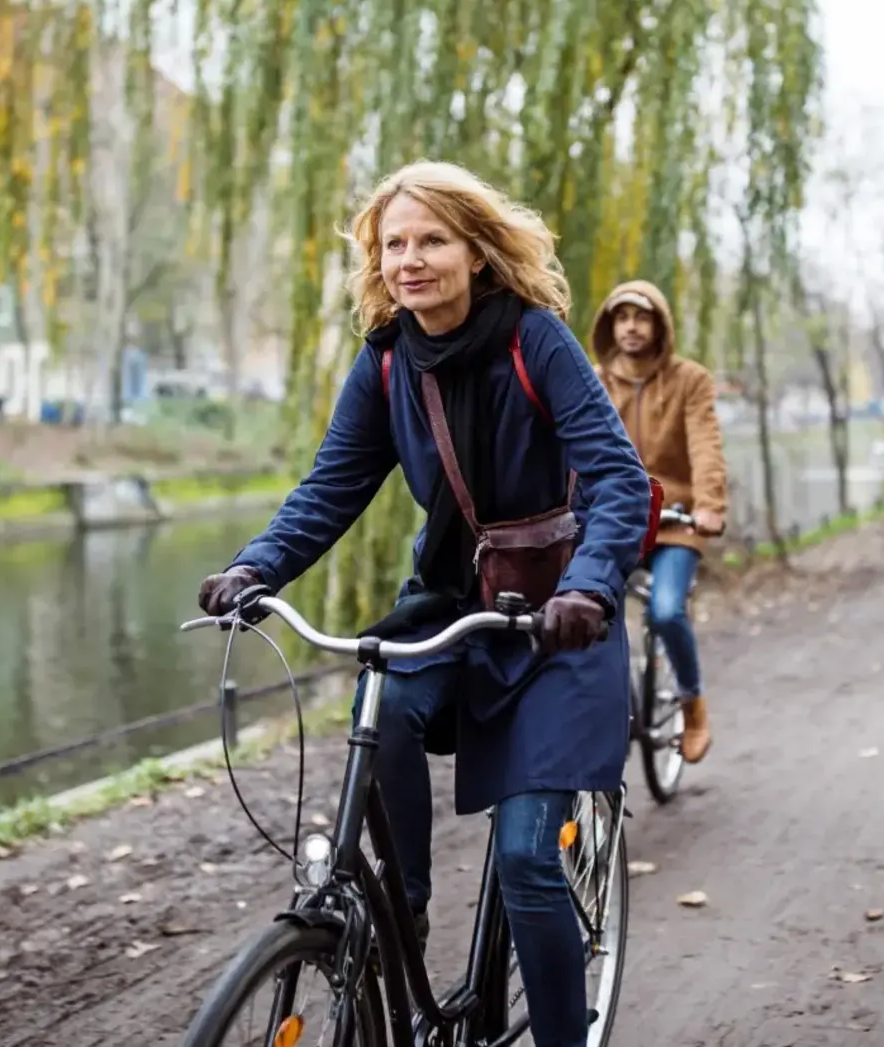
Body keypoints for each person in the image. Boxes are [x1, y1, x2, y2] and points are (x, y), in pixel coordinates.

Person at [196, 161, 650, 1047]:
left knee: (526, 857)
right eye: (394, 243)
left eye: (432, 240)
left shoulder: (537, 341)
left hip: (558, 617)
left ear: (477, 252)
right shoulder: (387, 361)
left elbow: (617, 479)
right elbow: (331, 486)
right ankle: (396, 913)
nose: (411, 259)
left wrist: (592, 586)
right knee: (384, 701)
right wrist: (256, 569)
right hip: (450, 603)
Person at [589, 280, 728, 763]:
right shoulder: (594, 381)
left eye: (641, 317)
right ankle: (598, 706)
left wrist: (709, 504)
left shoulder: (689, 379)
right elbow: (573, 448)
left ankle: (693, 706)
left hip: (675, 519)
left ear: (659, 324)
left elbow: (705, 445)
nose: (630, 327)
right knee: (586, 608)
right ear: (610, 325)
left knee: (667, 611)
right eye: (621, 317)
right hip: (616, 518)